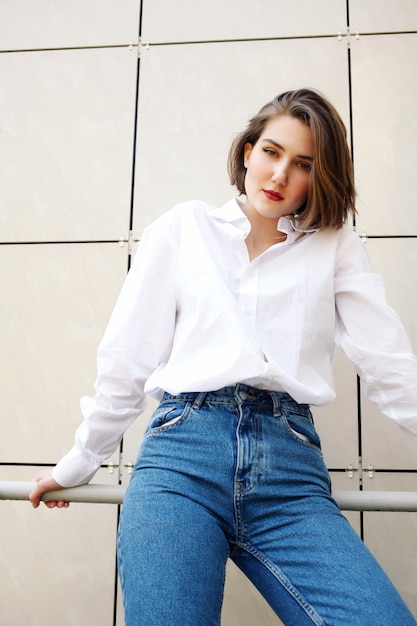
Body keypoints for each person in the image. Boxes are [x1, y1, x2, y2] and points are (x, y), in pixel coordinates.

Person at [30, 88, 417, 626]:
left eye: (302, 164)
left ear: (318, 177)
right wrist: (78, 461)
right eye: (271, 152)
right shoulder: (184, 229)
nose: (280, 174)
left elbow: (389, 362)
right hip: (180, 459)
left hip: (289, 470)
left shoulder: (335, 244)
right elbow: (127, 361)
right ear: (247, 153)